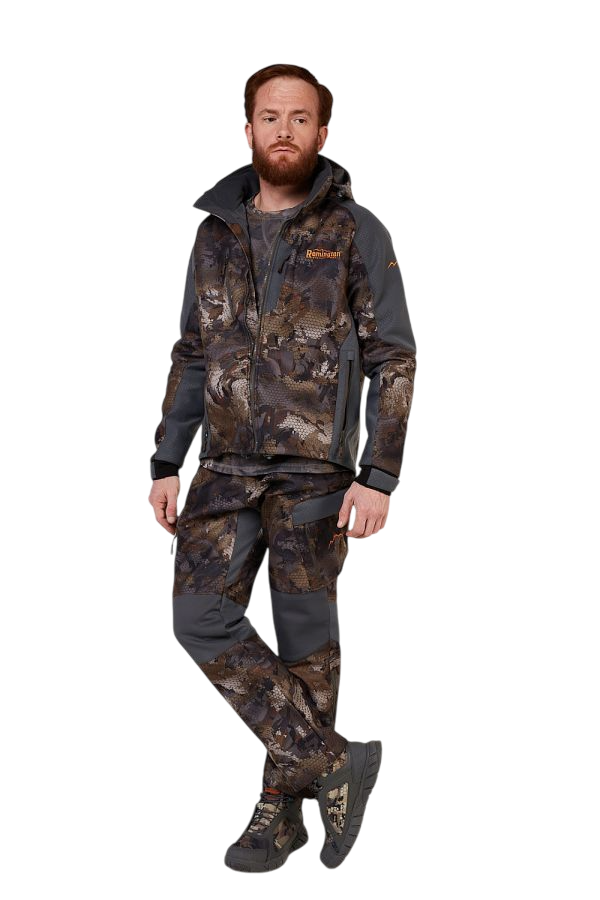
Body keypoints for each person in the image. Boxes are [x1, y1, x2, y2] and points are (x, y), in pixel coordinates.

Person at [148, 63, 417, 872]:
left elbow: (393, 356)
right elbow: (193, 351)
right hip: (224, 467)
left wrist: (378, 474)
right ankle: (331, 760)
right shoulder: (215, 234)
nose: (285, 130)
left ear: (322, 132)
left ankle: (279, 812)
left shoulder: (356, 231)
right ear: (249, 129)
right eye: (271, 117)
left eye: (301, 118)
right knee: (199, 616)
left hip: (314, 475)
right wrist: (167, 457)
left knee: (307, 643)